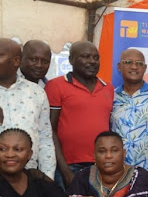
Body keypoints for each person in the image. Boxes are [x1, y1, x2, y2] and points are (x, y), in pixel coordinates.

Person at [45, 41, 114, 187]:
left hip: (100, 165)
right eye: (86, 56)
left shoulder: (108, 88)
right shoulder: (56, 86)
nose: (92, 61)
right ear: (71, 60)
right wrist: (65, 170)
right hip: (68, 166)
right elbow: (49, 129)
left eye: (96, 58)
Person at [67, 131, 148, 197]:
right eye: (102, 151)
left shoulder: (138, 174)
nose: (108, 156)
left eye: (114, 150)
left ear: (124, 153)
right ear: (94, 155)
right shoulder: (84, 175)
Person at [110, 49, 148, 181]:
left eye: (139, 63)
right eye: (128, 62)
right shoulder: (111, 97)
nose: (134, 67)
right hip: (118, 175)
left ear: (145, 68)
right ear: (119, 67)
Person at [0, 38, 55, 178]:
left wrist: (47, 176)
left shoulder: (36, 92)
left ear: (16, 61)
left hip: (29, 175)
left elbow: (45, 138)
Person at [0, 128, 66, 197]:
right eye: (2, 149)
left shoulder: (37, 178)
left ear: (29, 154)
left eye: (18, 149)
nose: (10, 155)